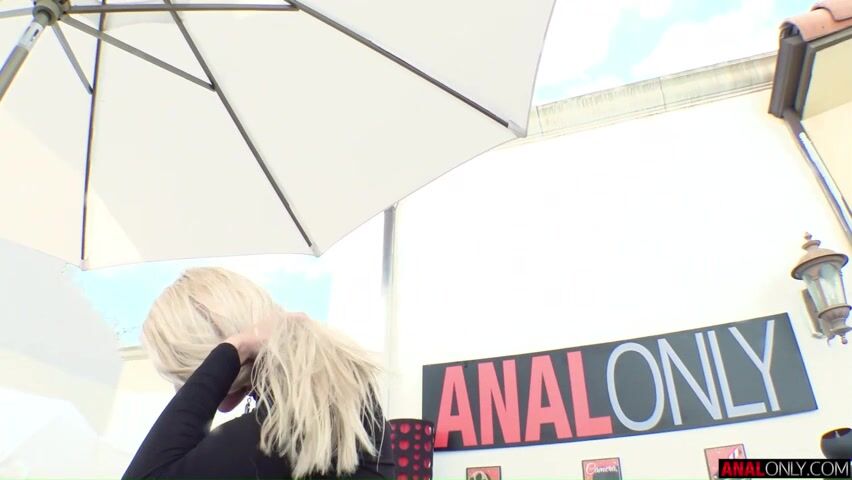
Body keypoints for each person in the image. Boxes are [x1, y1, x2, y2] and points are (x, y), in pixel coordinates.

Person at [122, 267, 395, 480]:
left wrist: (234, 349)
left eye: (182, 379)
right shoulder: (332, 406)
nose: (184, 392)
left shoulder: (278, 434)